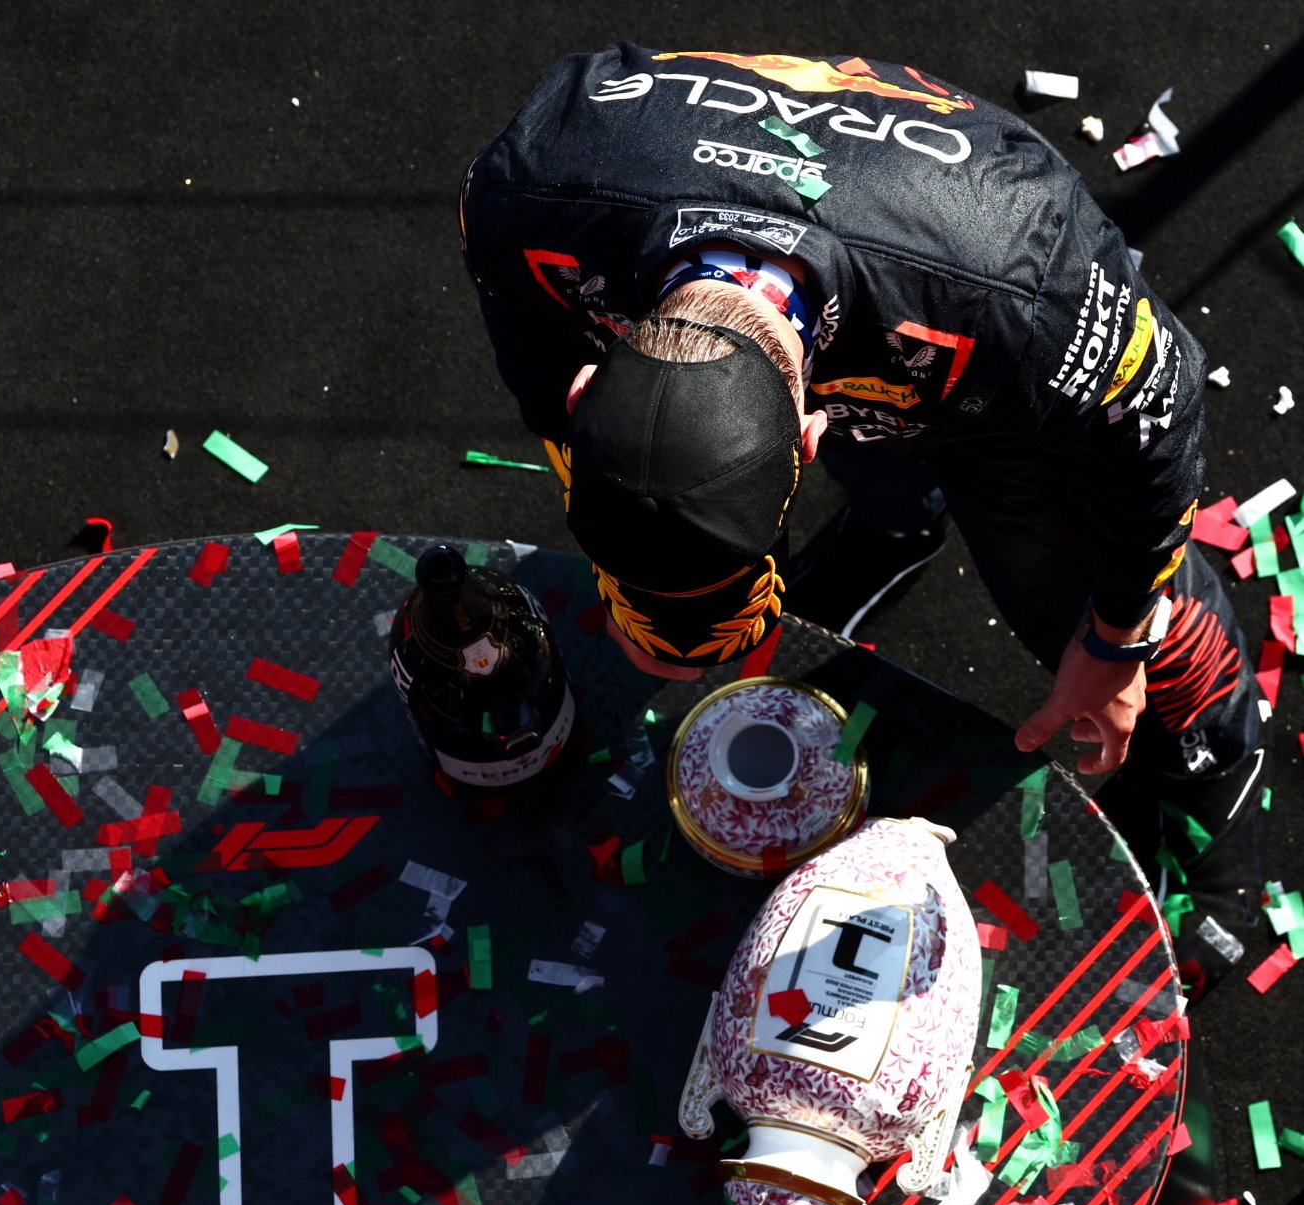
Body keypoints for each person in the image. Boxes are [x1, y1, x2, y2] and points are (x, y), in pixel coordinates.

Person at [458, 43, 1268, 928]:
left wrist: (1115, 643)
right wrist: (654, 595)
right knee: (855, 467)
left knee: (1087, 604)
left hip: (978, 348)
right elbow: (542, 372)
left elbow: (1160, 421)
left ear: (810, 435)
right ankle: (894, 527)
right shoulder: (522, 197)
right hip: (858, 325)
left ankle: (1213, 796)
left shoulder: (1023, 285)